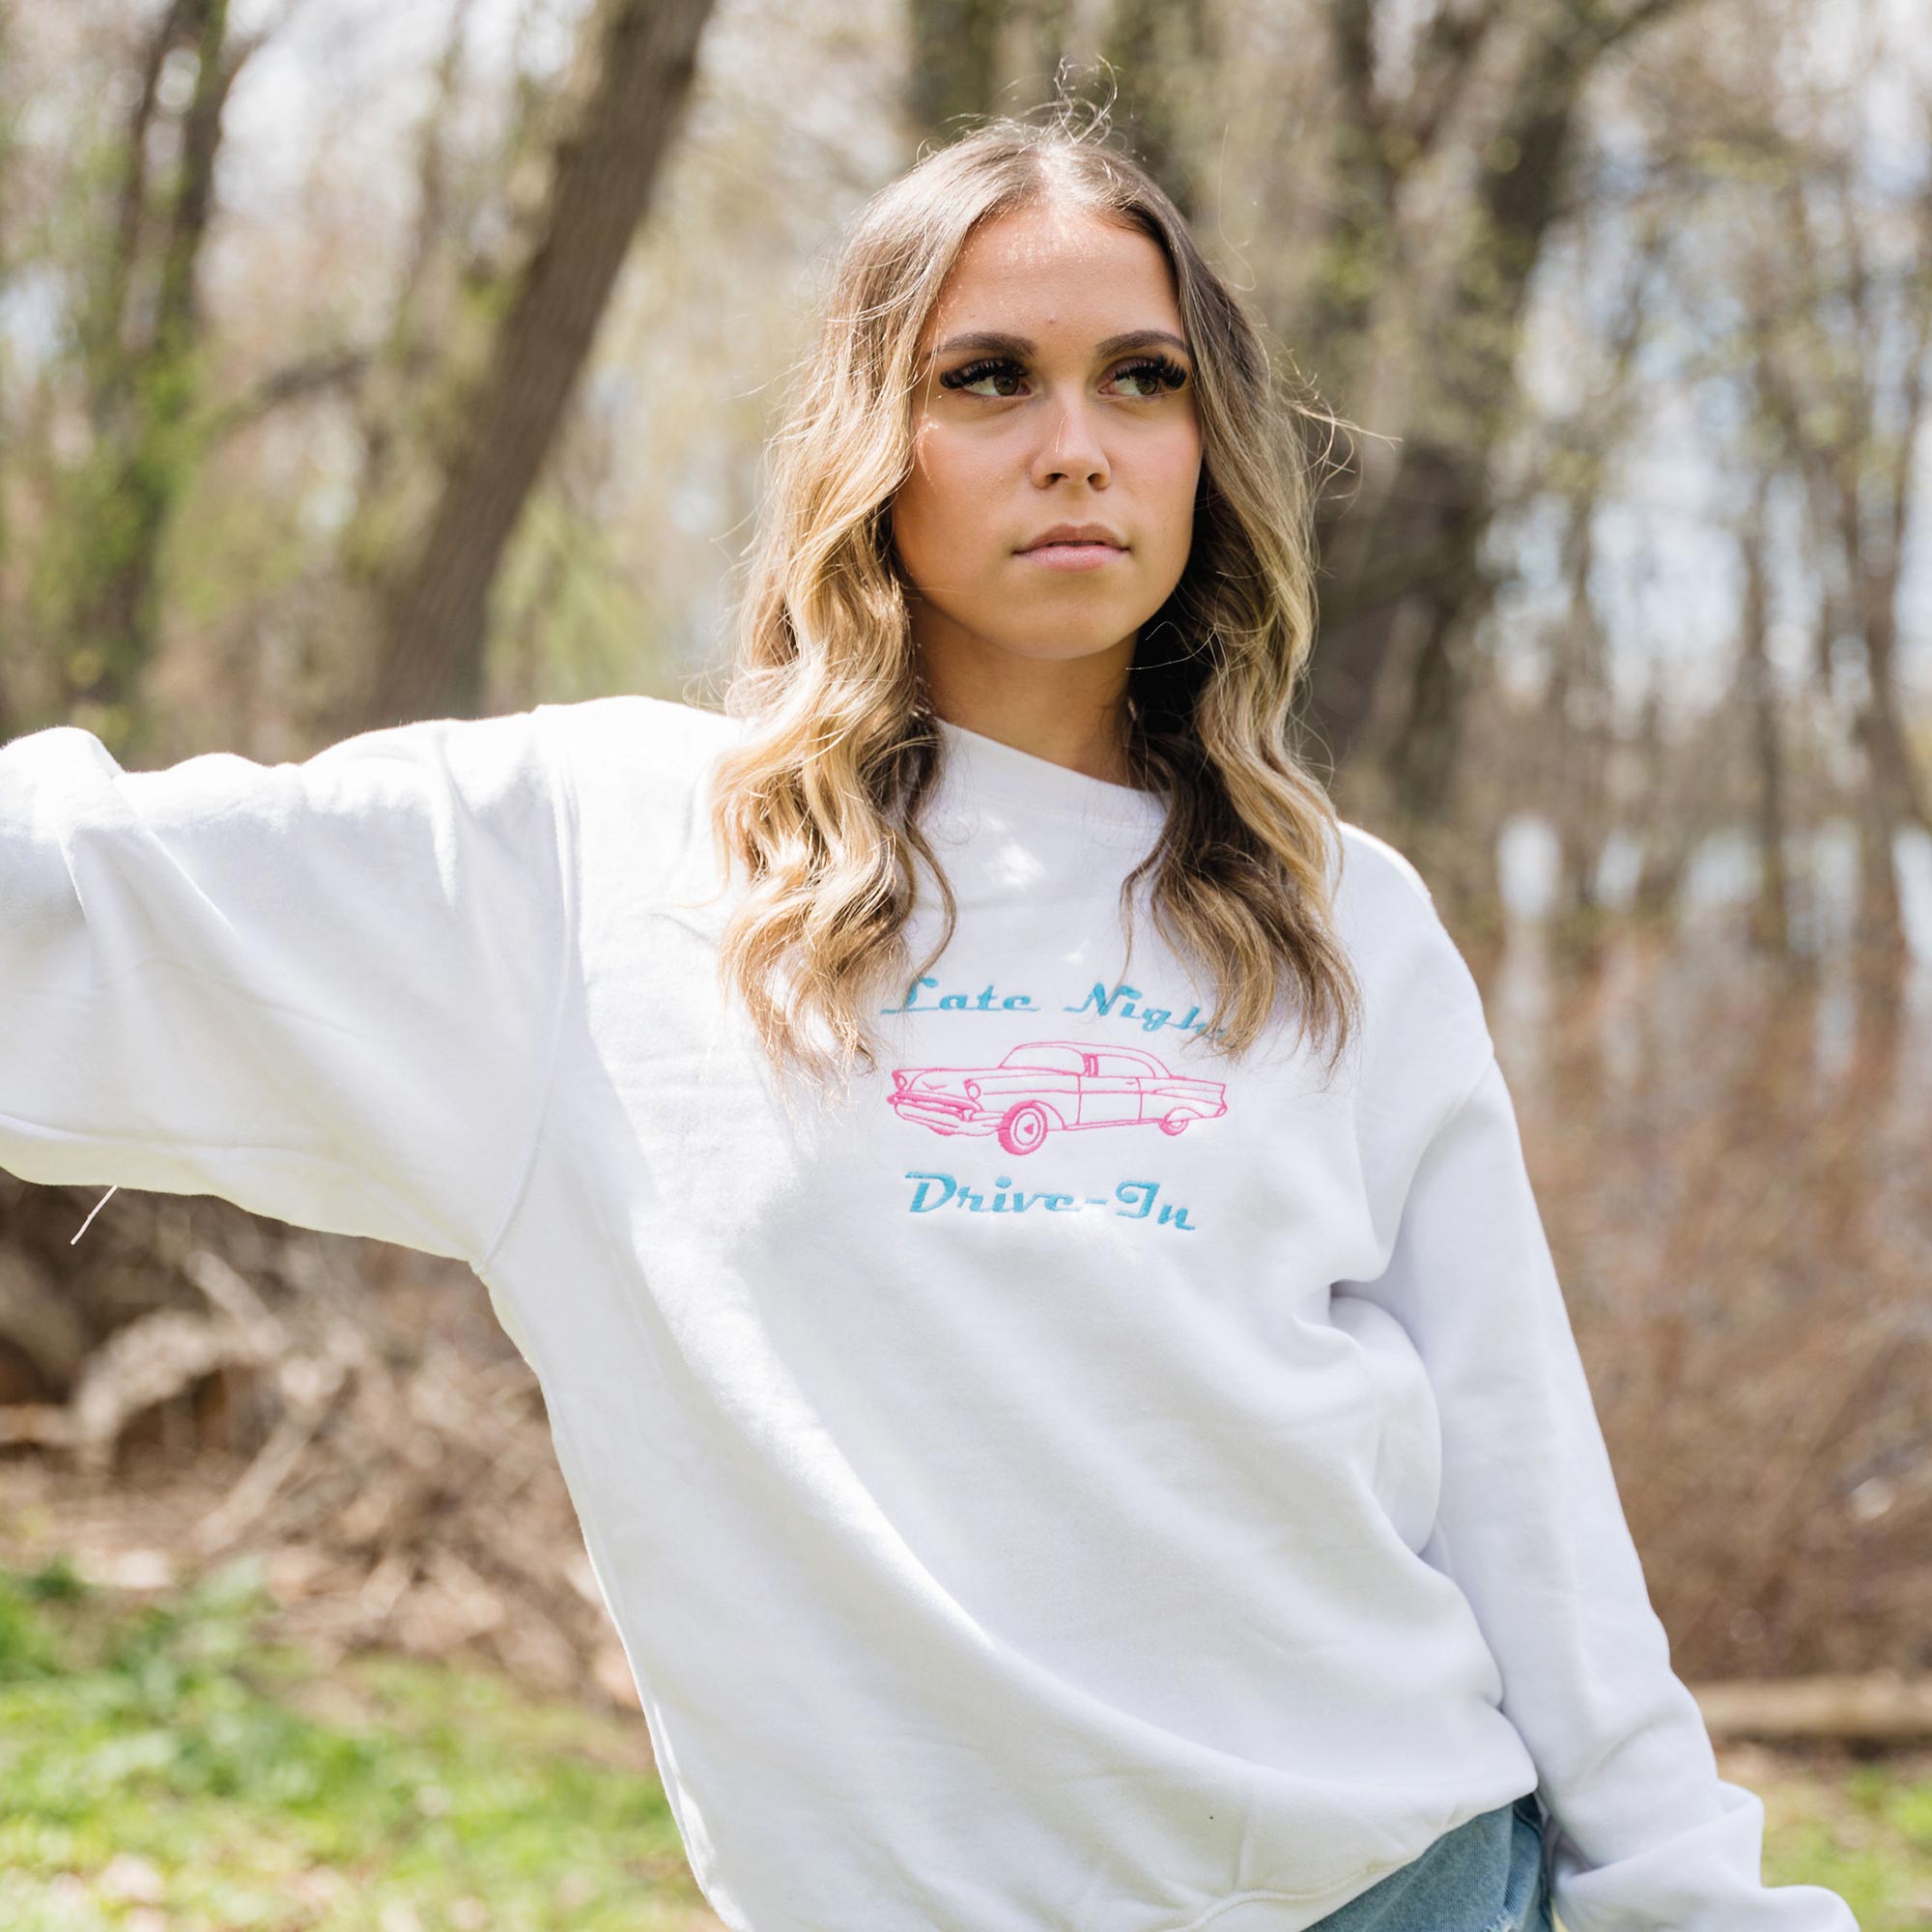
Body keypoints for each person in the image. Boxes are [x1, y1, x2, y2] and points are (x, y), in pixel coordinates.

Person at [0, 108, 1860, 1932]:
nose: (1078, 447)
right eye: (990, 379)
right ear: (869, 437)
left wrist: (1698, 1902)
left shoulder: (1336, 915)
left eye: (1143, 380)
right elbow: (82, 902)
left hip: (1400, 1888)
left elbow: (1525, 1489)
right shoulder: (598, 865)